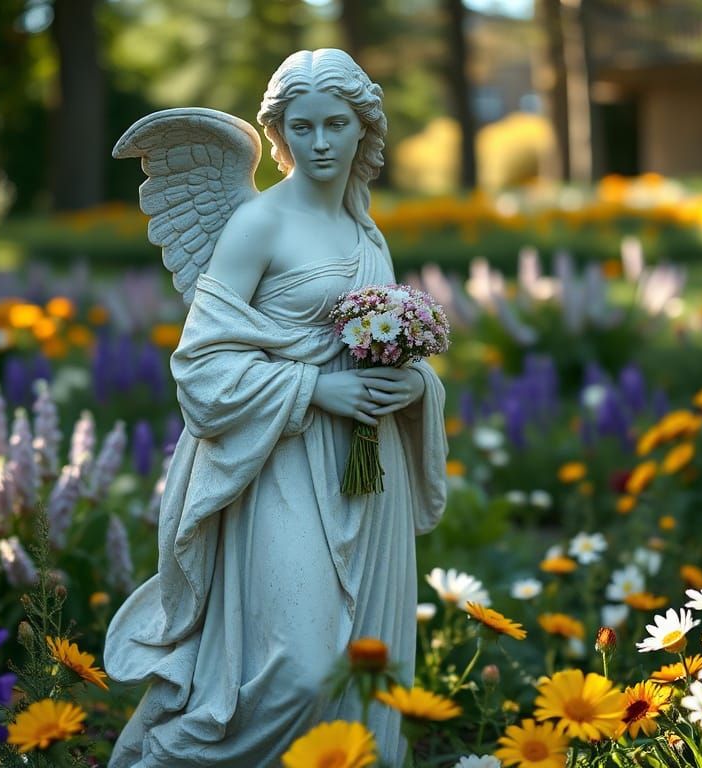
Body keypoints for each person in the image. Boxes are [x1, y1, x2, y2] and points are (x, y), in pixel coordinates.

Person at [104, 48, 447, 767]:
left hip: (367, 468)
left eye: (335, 125)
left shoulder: (365, 233)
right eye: (303, 126)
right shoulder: (257, 224)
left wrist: (416, 389)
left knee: (364, 664)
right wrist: (315, 388)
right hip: (280, 462)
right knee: (298, 667)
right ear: (280, 133)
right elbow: (200, 367)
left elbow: (386, 353)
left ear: (364, 130)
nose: (319, 143)